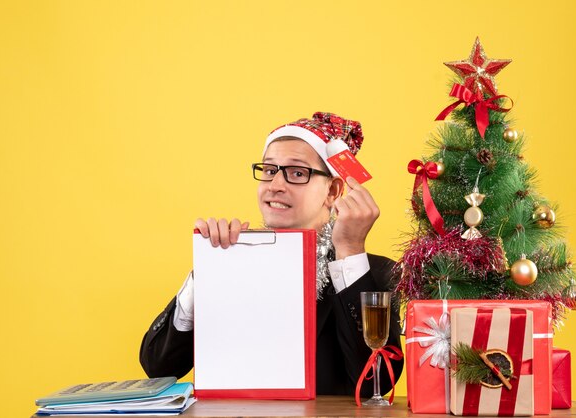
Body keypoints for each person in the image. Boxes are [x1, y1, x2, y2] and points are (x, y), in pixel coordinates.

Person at [139, 112, 403, 397]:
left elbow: (375, 383)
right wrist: (208, 269)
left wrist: (350, 251)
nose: (275, 185)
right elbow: (159, 368)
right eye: (268, 170)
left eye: (298, 173)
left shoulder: (375, 273)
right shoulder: (230, 260)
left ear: (333, 191)